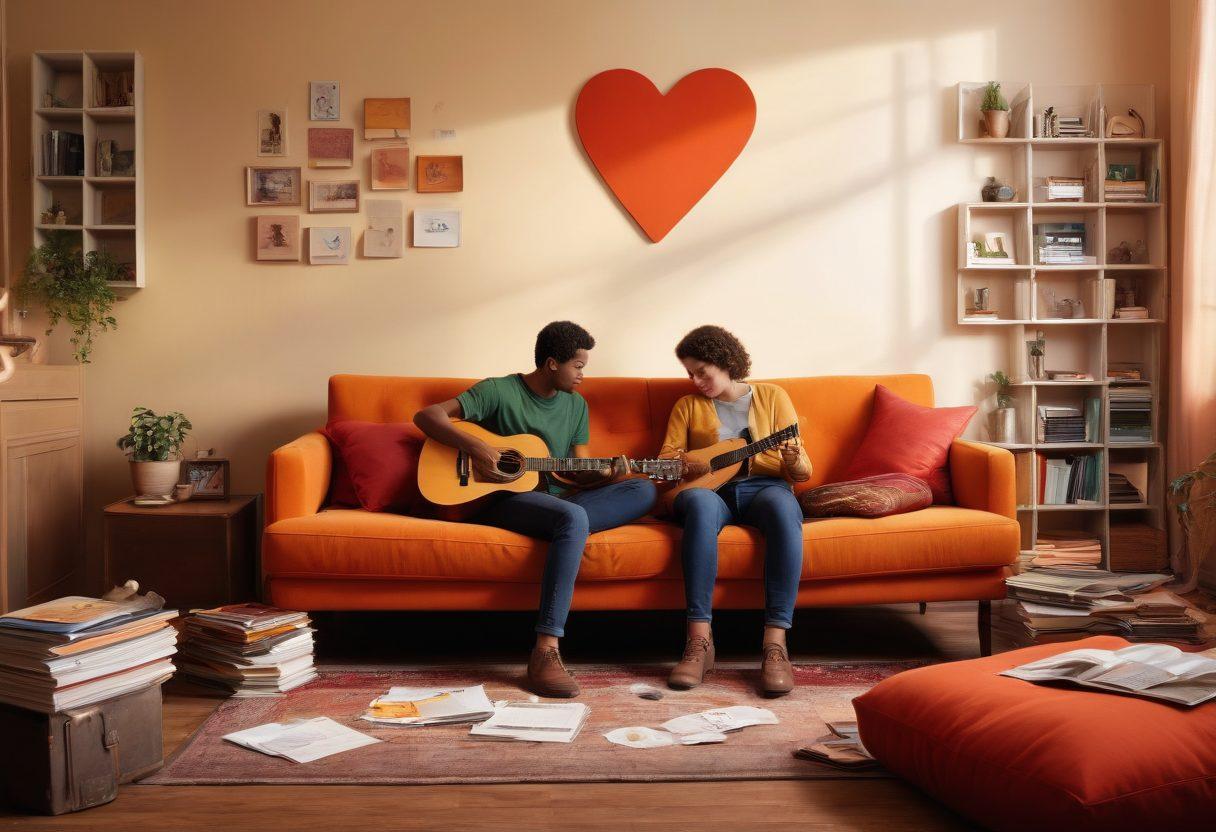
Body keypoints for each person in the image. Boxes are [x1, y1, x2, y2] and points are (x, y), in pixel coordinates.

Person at [414, 321, 656, 698]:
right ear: (551, 363)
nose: (582, 375)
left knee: (642, 490)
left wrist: (609, 476)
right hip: (504, 500)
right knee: (572, 518)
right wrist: (479, 448)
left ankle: (566, 532)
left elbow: (580, 471)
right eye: (577, 366)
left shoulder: (576, 405)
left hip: (560, 500)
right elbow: (427, 416)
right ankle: (546, 651)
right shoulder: (498, 390)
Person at [659, 325, 811, 696]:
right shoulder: (687, 406)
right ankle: (699, 642)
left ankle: (775, 645)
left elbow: (802, 469)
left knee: (783, 507)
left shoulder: (773, 396)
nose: (695, 381)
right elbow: (665, 462)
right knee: (694, 502)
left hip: (766, 487)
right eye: (689, 373)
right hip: (713, 492)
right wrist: (690, 464)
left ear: (724, 362)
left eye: (701, 371)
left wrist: (793, 460)